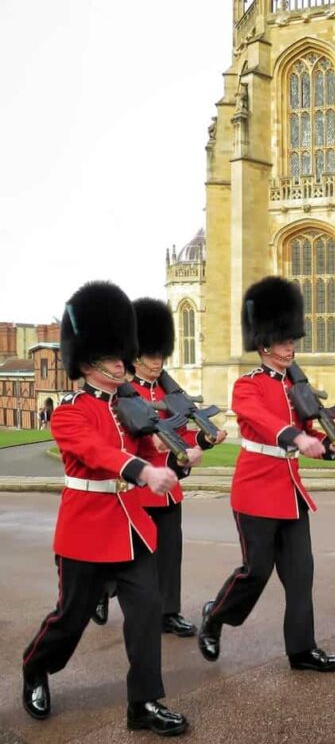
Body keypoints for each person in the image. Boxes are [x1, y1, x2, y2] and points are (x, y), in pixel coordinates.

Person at [21, 281, 189, 736]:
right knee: (70, 620)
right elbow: (98, 454)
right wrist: (142, 469)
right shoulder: (70, 412)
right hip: (86, 533)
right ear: (90, 362)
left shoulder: (127, 410)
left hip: (131, 527)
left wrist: (177, 457)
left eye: (123, 356)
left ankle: (144, 704)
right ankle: (36, 666)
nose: (124, 363)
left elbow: (152, 452)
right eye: (115, 358)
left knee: (146, 613)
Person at [197, 276, 335, 672]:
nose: (291, 347)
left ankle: (302, 650)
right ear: (264, 344)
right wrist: (298, 437)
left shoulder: (297, 388)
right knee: (256, 572)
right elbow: (261, 421)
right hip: (256, 490)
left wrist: (332, 445)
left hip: (291, 491)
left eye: (292, 340)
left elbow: (311, 435)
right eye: (284, 341)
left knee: (301, 576)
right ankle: (215, 617)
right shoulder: (246, 385)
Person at [129, 298, 227, 637]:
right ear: (135, 356)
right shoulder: (127, 395)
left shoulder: (169, 392)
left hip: (169, 489)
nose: (157, 362)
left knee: (170, 555)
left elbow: (185, 430)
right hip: (139, 489)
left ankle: (168, 612)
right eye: (151, 355)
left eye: (160, 355)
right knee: (131, 559)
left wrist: (207, 438)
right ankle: (102, 592)